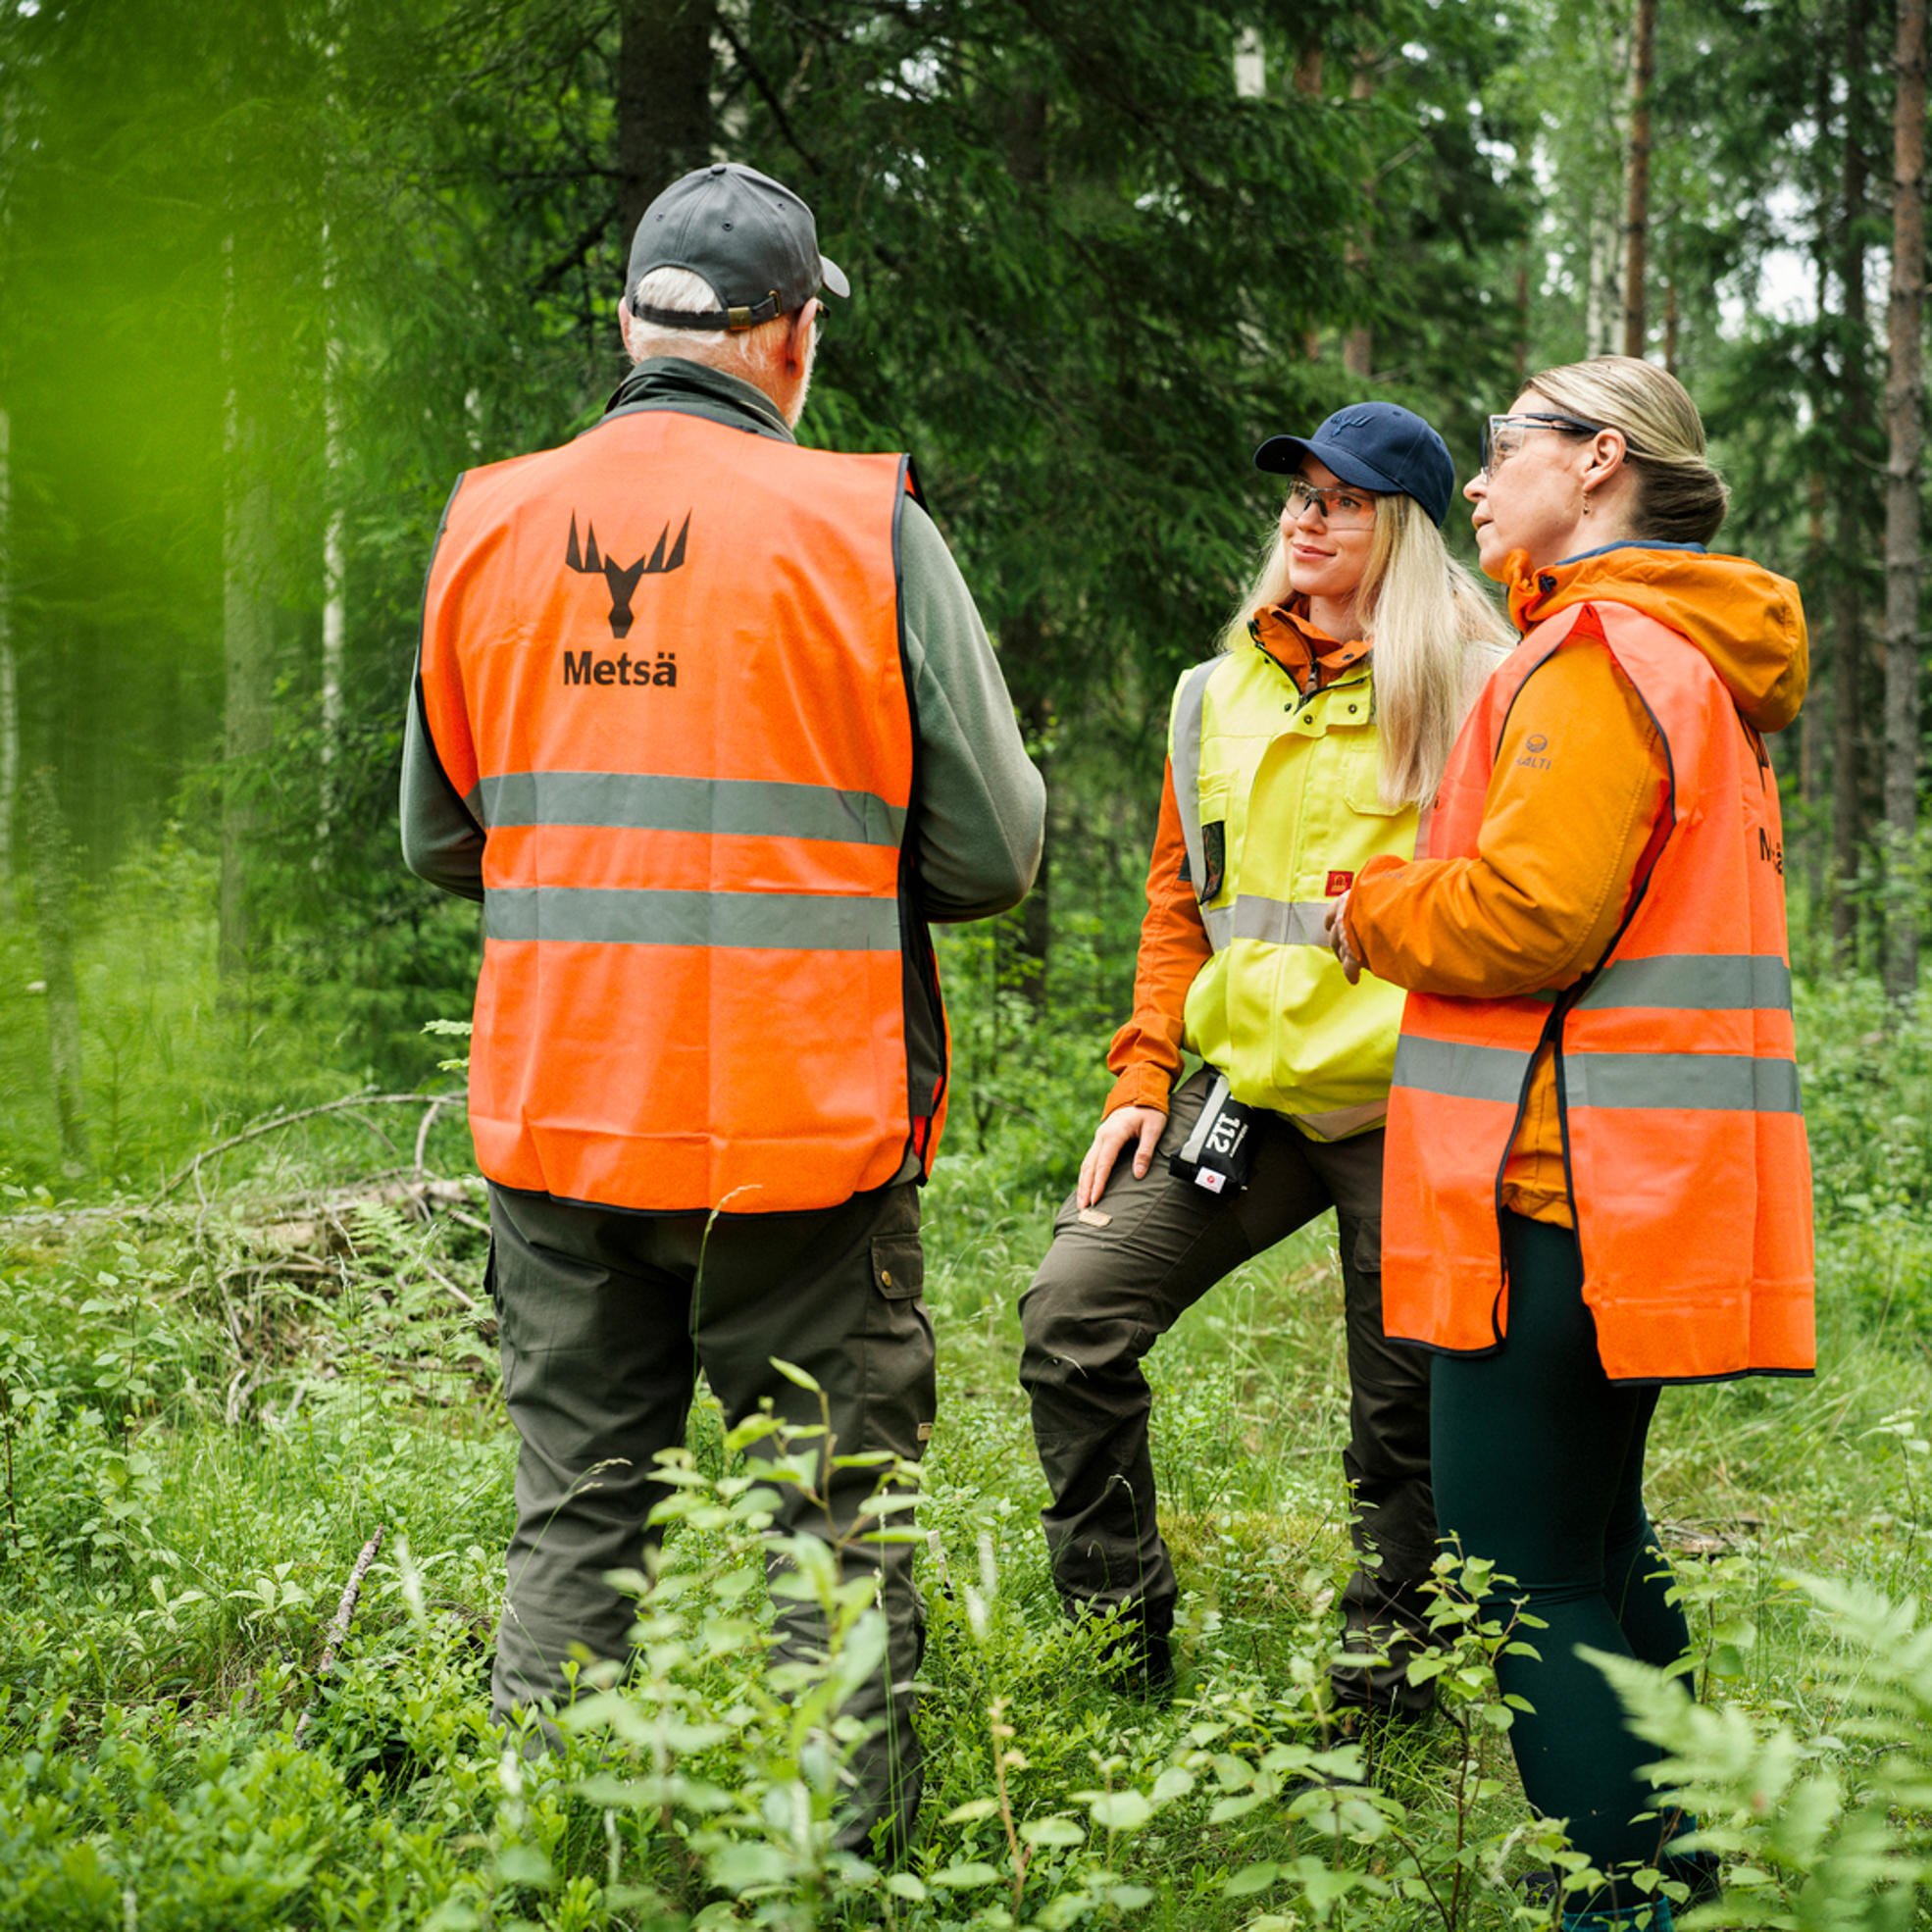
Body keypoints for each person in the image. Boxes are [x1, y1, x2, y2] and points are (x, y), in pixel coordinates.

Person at [401, 160, 1044, 1858]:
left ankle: (544, 1866)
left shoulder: (488, 519)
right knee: (824, 1537)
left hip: (556, 1115)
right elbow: (990, 851)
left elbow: (434, 833)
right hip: (801, 1133)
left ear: (632, 321)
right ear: (790, 337)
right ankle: (826, 1886)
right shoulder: (861, 526)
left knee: (577, 1521)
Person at [1329, 356, 1814, 1931]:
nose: (1471, 484)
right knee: (1595, 1541)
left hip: (1553, 1184)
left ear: (1597, 461)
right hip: (1626, 1177)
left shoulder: (1600, 653)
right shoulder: (1689, 657)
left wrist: (1370, 906)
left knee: (1517, 1571)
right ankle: (1681, 1871)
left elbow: (1531, 913)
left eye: (1500, 449)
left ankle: (1630, 1906)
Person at [1018, 402, 1512, 1708]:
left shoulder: (1481, 686)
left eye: (1341, 499)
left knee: (1401, 1419)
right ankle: (1115, 1648)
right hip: (1247, 1097)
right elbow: (1181, 907)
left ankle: (1384, 1690)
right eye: (1296, 492)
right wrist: (1140, 1081)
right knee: (1071, 1318)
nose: (1304, 515)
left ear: (1399, 528)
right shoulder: (1212, 693)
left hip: (1414, 1109)